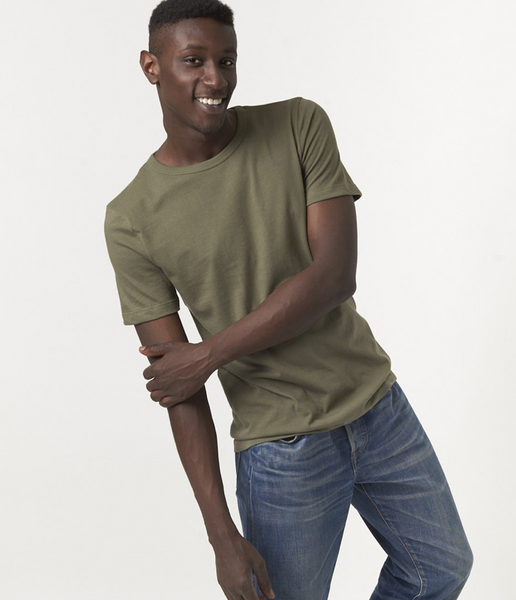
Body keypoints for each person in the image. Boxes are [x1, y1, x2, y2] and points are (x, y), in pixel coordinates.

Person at [104, 1, 473, 598]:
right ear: (151, 66)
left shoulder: (299, 124)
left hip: (377, 405)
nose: (215, 78)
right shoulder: (132, 218)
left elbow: (334, 276)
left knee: (441, 568)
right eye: (193, 61)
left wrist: (210, 353)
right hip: (281, 447)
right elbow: (178, 384)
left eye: (226, 60)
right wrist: (221, 535)